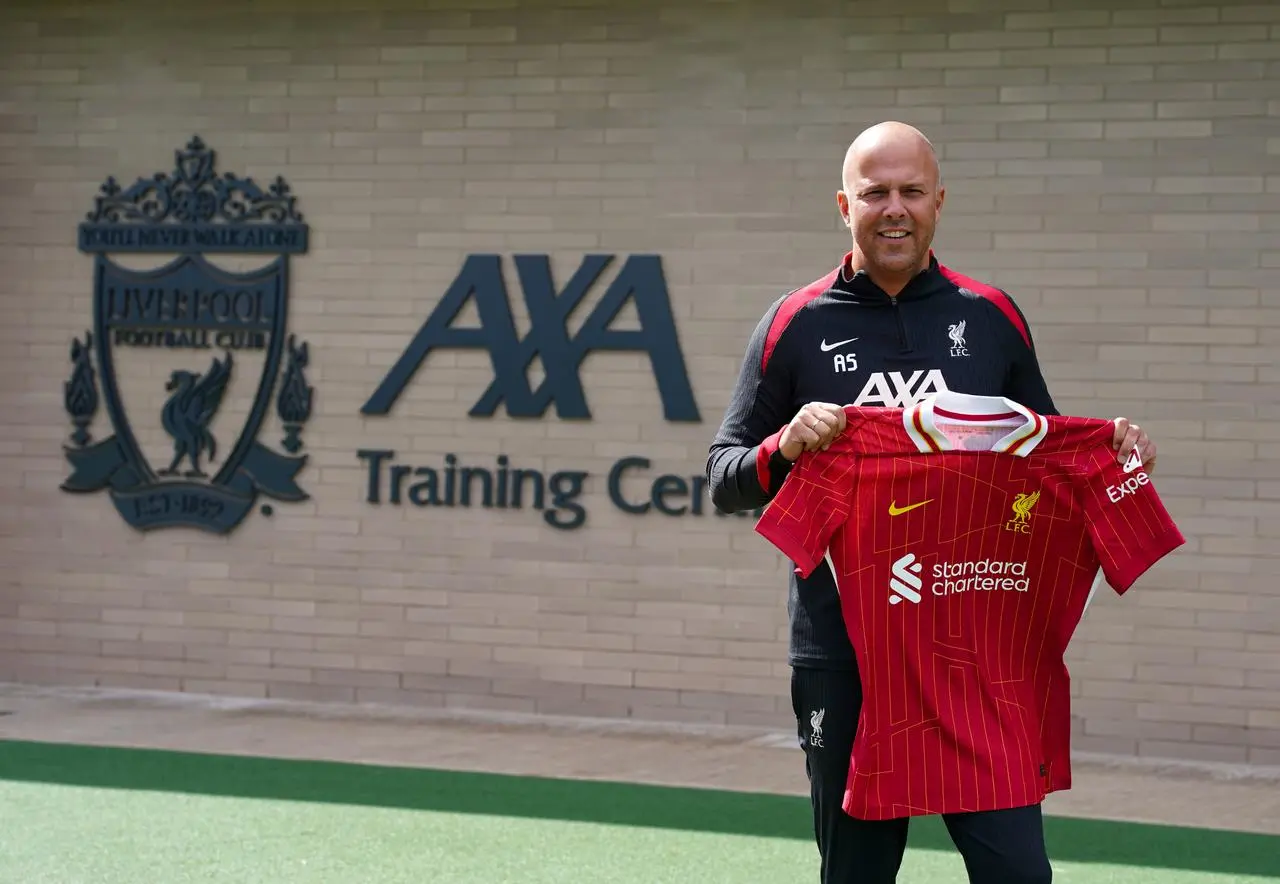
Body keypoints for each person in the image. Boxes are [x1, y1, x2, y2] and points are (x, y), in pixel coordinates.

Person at [706, 121, 1157, 884]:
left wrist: (1114, 459)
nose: (894, 208)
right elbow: (722, 478)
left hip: (972, 655)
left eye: (911, 191)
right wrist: (783, 448)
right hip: (843, 653)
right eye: (875, 192)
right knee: (858, 877)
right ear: (843, 204)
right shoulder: (794, 323)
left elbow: (1044, 456)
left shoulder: (991, 317)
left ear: (938, 202)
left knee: (1019, 873)